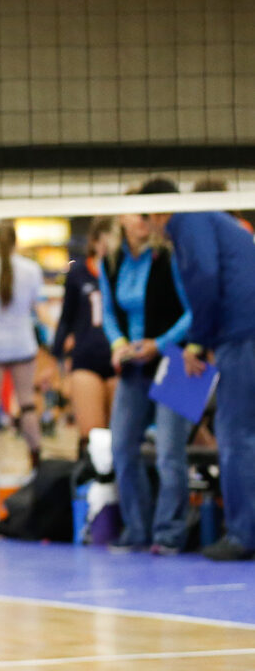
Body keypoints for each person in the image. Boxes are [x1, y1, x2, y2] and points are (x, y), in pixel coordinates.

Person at [148, 180, 255, 561]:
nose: (149, 228)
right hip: (233, 335)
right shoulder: (210, 221)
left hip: (240, 336)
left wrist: (196, 341)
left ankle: (243, 535)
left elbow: (205, 279)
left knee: (235, 435)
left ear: (157, 212)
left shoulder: (188, 221)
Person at [99, 192, 193, 554]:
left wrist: (161, 342)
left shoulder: (171, 256)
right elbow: (108, 312)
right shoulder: (110, 260)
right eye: (136, 213)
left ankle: (169, 535)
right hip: (134, 365)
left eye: (147, 213)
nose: (142, 219)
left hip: (182, 362)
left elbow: (193, 311)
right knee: (122, 447)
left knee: (171, 452)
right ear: (121, 219)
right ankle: (137, 531)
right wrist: (118, 343)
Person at [0, 220, 46, 475]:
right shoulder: (31, 269)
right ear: (16, 242)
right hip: (22, 344)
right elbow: (39, 306)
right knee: (27, 405)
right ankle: (37, 463)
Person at [53, 216, 117, 451]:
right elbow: (66, 318)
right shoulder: (78, 272)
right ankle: (88, 483)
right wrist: (56, 356)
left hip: (118, 358)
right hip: (86, 358)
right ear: (95, 242)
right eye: (105, 241)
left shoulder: (123, 270)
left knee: (117, 436)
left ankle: (117, 485)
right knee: (93, 438)